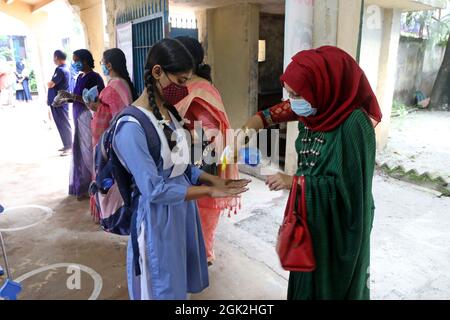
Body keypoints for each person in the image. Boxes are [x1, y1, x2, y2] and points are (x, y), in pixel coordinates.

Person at [238, 46, 382, 300]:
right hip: (313, 215)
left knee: (330, 284)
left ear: (322, 89)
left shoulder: (353, 125)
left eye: (297, 94)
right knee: (306, 275)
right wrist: (242, 135)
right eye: (290, 94)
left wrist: (295, 182)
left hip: (339, 224)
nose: (293, 101)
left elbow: (349, 192)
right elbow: (268, 116)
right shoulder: (317, 108)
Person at [112, 38, 251, 300]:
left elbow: (181, 167)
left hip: (180, 210)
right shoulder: (131, 127)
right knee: (162, 286)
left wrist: (214, 181)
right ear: (157, 73)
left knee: (178, 283)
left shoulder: (169, 115)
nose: (185, 89)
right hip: (158, 219)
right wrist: (208, 193)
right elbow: (154, 189)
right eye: (180, 81)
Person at [174, 36, 240, 265]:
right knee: (196, 204)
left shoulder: (198, 87)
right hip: (198, 153)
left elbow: (210, 130)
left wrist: (187, 133)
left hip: (204, 155)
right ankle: (200, 252)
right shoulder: (190, 85)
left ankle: (202, 254)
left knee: (203, 205)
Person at [85, 48, 137, 222]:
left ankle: (111, 213)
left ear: (109, 65)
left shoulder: (112, 87)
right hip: (123, 136)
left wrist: (94, 108)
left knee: (110, 178)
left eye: (102, 62)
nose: (102, 66)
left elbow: (110, 116)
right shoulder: (125, 83)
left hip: (109, 141)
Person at [69, 49, 105, 200]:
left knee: (88, 150)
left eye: (76, 60)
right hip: (77, 115)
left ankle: (94, 184)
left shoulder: (94, 77)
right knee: (79, 148)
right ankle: (82, 185)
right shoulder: (80, 77)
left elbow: (95, 100)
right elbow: (78, 97)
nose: (74, 63)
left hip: (87, 116)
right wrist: (69, 97)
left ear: (84, 60)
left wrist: (74, 97)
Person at [47, 50, 73, 156]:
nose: (53, 59)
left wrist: (49, 84)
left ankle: (70, 147)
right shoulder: (62, 69)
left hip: (60, 101)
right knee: (61, 123)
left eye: (54, 57)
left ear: (57, 57)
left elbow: (51, 84)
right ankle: (67, 145)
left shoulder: (61, 70)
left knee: (63, 123)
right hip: (59, 100)